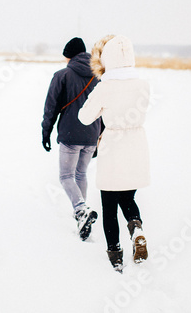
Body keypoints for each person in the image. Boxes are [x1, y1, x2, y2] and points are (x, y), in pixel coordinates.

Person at [78, 35, 150, 272]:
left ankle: (115, 254)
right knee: (128, 198)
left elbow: (84, 117)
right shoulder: (143, 84)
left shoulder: (105, 87)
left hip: (113, 146)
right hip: (137, 146)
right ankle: (136, 228)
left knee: (109, 203)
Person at [41, 37, 101, 241]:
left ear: (70, 56)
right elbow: (103, 109)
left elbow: (51, 107)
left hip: (70, 134)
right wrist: (100, 136)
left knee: (66, 176)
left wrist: (45, 132)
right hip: (92, 133)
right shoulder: (98, 75)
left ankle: (81, 210)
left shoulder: (62, 75)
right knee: (80, 174)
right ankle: (82, 215)